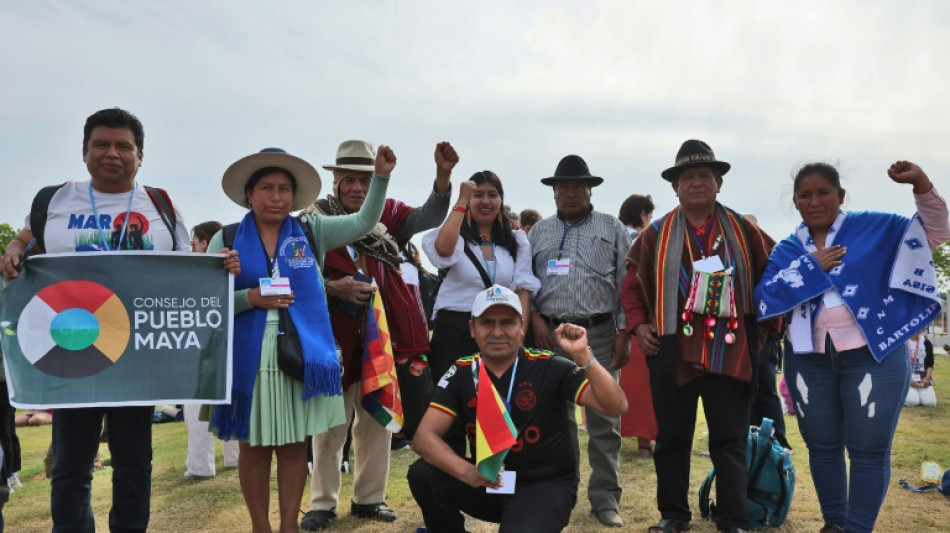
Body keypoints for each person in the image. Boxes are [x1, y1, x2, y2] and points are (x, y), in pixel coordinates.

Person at [0, 107, 239, 533]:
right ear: (85, 151)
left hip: (138, 357)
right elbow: (26, 236)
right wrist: (16, 250)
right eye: (101, 145)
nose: (112, 153)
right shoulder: (54, 200)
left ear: (140, 155)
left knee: (134, 462)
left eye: (123, 146)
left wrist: (220, 268)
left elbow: (186, 273)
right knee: (71, 463)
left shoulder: (161, 205)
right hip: (72, 350)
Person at [754, 161, 950, 533]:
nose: (814, 201)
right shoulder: (788, 249)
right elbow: (763, 299)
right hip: (809, 361)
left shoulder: (878, 227)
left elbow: (937, 232)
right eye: (805, 195)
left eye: (823, 192)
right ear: (795, 203)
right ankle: (834, 523)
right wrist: (812, 267)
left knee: (869, 449)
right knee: (822, 447)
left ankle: (857, 529)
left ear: (840, 196)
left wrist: (922, 185)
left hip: (874, 355)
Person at [208, 145, 395, 533]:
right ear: (249, 193)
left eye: (283, 189)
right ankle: (261, 526)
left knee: (294, 447)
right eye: (266, 188)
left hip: (301, 353)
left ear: (294, 196)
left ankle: (289, 526)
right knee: (254, 448)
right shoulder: (224, 239)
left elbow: (364, 222)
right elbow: (206, 305)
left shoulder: (313, 230)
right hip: (249, 360)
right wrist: (248, 297)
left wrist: (380, 178)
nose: (276, 197)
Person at [300, 140, 457, 530]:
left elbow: (428, 217)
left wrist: (442, 178)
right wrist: (332, 287)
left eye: (365, 180)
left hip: (379, 337)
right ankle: (322, 503)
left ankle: (369, 499)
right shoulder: (312, 219)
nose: (357, 187)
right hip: (332, 335)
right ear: (334, 180)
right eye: (350, 179)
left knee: (377, 418)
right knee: (329, 424)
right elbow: (296, 273)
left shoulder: (387, 211)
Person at [622, 140, 776, 533]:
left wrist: (762, 331)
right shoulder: (655, 234)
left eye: (704, 176)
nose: (695, 183)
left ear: (718, 183)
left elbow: (776, 277)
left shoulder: (744, 230)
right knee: (672, 438)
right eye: (686, 177)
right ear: (675, 187)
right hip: (671, 346)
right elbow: (630, 287)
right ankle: (673, 515)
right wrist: (640, 326)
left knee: (730, 439)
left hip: (732, 346)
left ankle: (733, 519)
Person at [408, 285, 628, 532]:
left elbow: (615, 405)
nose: (497, 331)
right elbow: (423, 438)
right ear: (472, 329)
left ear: (522, 327)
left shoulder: (549, 366)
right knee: (423, 474)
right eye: (487, 323)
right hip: (492, 482)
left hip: (544, 485)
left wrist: (584, 357)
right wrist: (467, 472)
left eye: (507, 322)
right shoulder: (462, 371)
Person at [528, 155, 631, 528]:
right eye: (563, 187)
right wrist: (536, 317)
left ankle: (605, 500)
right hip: (550, 335)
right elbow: (527, 281)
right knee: (556, 421)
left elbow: (625, 283)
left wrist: (623, 332)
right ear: (554, 192)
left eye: (578, 186)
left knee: (605, 418)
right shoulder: (538, 231)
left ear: (590, 190)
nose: (570, 193)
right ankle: (560, 496)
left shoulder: (612, 226)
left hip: (599, 335)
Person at [422, 170, 540, 386]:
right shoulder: (456, 236)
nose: (486, 201)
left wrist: (519, 337)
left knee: (498, 398)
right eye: (478, 195)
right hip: (455, 328)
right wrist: (462, 199)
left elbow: (523, 290)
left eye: (492, 195)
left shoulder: (516, 241)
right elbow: (443, 250)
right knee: (453, 398)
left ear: (501, 200)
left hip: (498, 328)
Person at [181, 220, 241, 479]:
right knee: (228, 398)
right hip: (230, 343)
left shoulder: (200, 272)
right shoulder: (233, 265)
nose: (191, 249)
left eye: (194, 243)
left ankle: (200, 466)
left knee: (195, 407)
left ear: (205, 243)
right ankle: (234, 457)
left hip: (201, 345)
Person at [616, 194, 658, 456]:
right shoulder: (642, 239)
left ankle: (618, 436)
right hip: (639, 320)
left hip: (616, 323)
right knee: (645, 389)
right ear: (643, 214)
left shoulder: (617, 233)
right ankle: (644, 443)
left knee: (621, 385)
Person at [906, 332, 937, 407]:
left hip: (923, 380)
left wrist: (927, 378)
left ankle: (918, 395)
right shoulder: (903, 343)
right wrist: (909, 380)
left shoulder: (926, 343)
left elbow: (930, 364)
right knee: (912, 402)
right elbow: (899, 365)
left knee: (930, 403)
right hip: (907, 380)